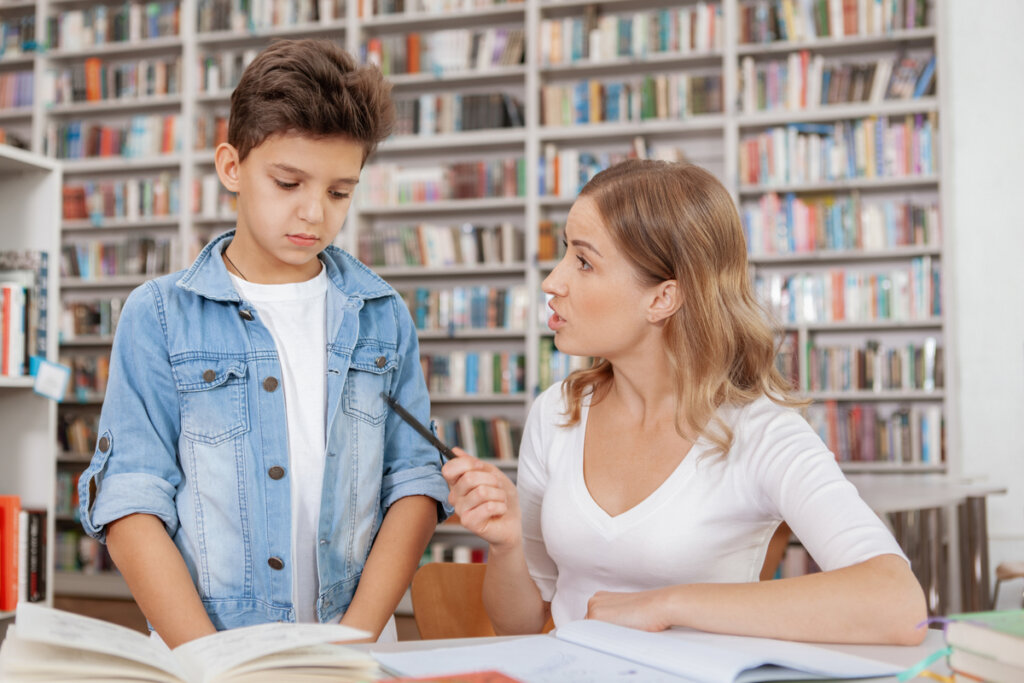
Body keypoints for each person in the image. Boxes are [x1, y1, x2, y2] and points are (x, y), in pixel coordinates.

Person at [443, 159, 928, 645]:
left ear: (663, 298)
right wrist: (506, 544)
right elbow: (520, 624)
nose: (552, 281)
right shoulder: (557, 412)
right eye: (566, 253)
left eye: (584, 262)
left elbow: (897, 604)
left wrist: (666, 604)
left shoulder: (759, 430)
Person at [77, 39, 450, 647]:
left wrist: (349, 644)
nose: (313, 214)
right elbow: (131, 498)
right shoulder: (161, 315)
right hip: (208, 652)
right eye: (288, 182)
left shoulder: (383, 316)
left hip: (351, 648)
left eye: (339, 192)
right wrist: (211, 661)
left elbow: (413, 485)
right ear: (231, 167)